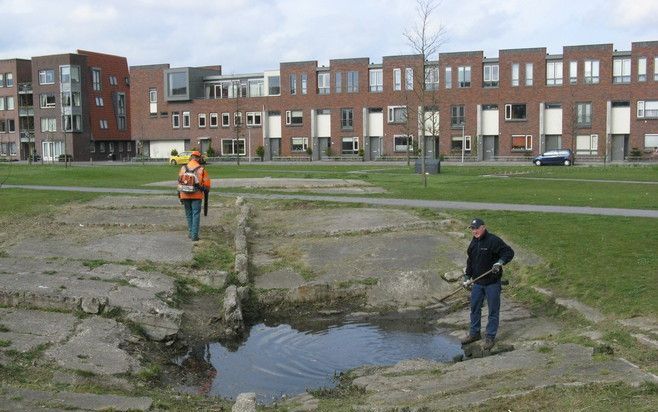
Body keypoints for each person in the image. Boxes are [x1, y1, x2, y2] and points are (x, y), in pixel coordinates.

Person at [461, 218, 514, 350]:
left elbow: (509, 252)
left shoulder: (493, 240)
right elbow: (470, 262)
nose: (474, 231)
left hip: (492, 283)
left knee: (493, 311)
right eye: (472, 229)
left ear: (483, 227)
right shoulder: (473, 243)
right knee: (474, 308)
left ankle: (490, 337)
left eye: (477, 228)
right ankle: (474, 334)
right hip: (477, 283)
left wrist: (499, 262)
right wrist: (467, 277)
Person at [178, 151, 211, 241]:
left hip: (184, 194)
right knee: (195, 214)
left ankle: (190, 232)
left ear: (191, 157)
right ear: (198, 158)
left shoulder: (183, 168)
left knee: (188, 214)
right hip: (197, 195)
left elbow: (179, 182)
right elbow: (207, 184)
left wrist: (180, 196)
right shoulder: (201, 169)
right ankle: (194, 235)